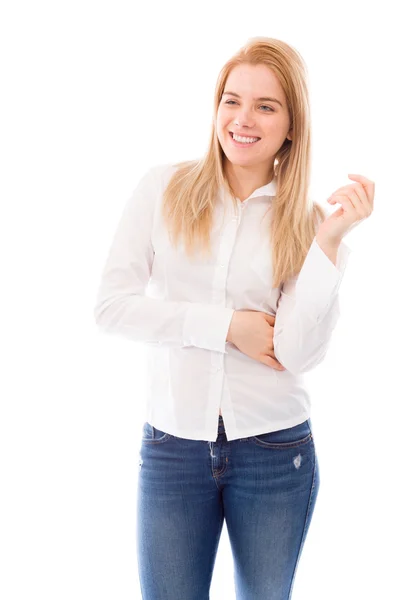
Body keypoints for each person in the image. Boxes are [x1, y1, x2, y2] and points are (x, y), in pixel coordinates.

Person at [94, 36, 374, 600]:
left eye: (266, 106)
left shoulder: (311, 223)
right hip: (173, 446)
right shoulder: (163, 189)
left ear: (292, 124)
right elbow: (112, 308)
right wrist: (227, 327)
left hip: (275, 453)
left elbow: (296, 354)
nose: (243, 120)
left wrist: (329, 244)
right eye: (232, 100)